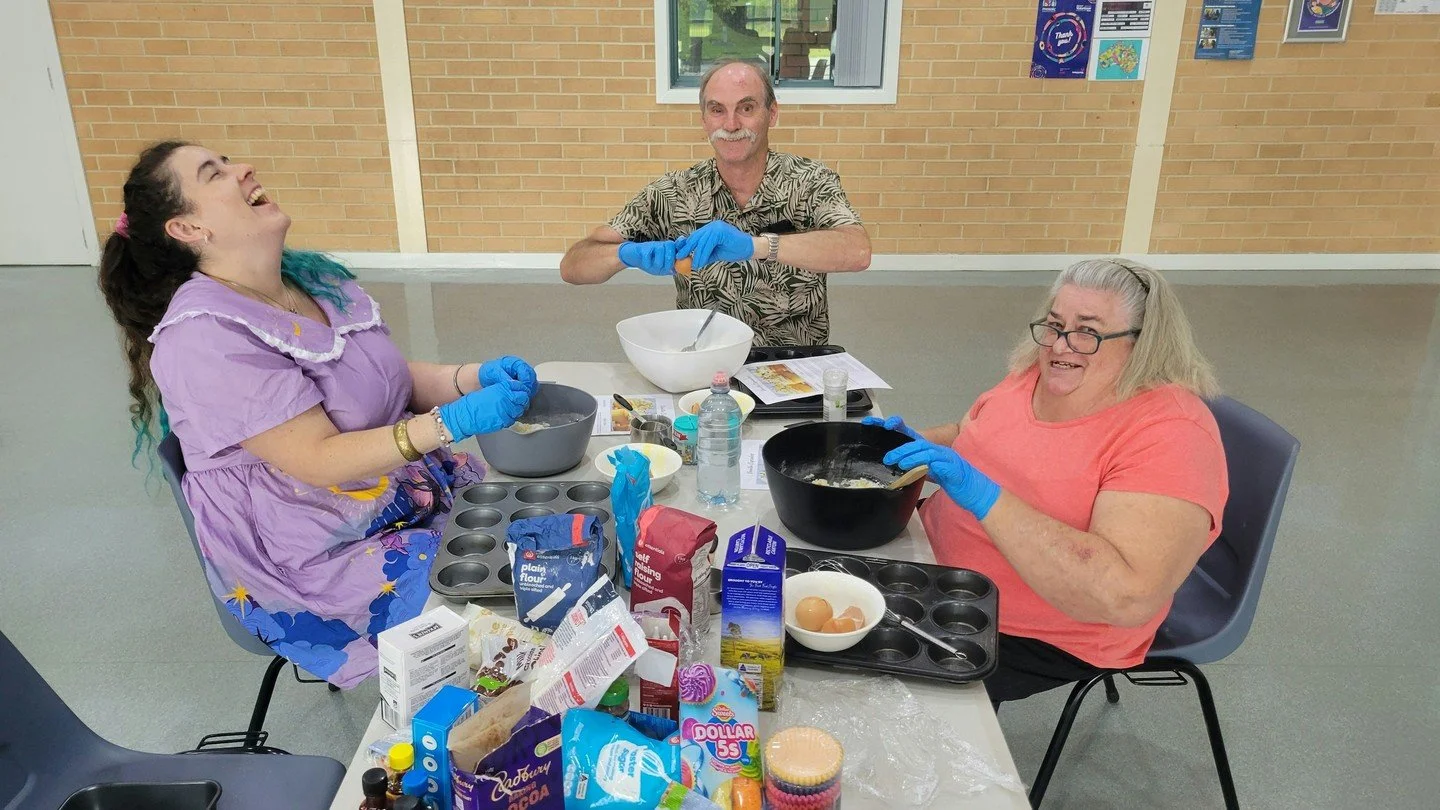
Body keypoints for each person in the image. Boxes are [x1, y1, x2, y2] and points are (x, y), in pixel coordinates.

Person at [98, 141, 539, 688]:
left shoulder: (307, 282)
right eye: (214, 174)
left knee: (537, 549)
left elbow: (382, 378)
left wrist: (470, 377)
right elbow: (317, 459)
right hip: (316, 546)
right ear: (187, 229)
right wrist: (449, 422)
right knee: (507, 619)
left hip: (400, 495)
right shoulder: (202, 339)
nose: (244, 169)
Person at [869, 259, 1228, 704]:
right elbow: (971, 432)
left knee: (855, 670)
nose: (1061, 346)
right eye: (1055, 325)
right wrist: (921, 443)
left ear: (1144, 344)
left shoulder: (1170, 434)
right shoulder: (1038, 374)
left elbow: (1125, 595)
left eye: (1088, 331)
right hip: (932, 560)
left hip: (1021, 625)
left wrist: (984, 497)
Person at [559, 58, 871, 346]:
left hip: (795, 367)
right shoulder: (672, 193)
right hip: (705, 365)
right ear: (704, 118)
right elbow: (573, 267)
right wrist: (624, 254)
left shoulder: (809, 181)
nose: (731, 124)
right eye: (717, 109)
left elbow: (857, 252)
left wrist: (758, 246)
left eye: (746, 108)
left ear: (771, 114)